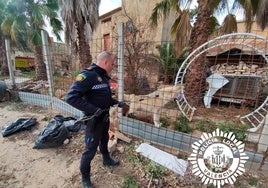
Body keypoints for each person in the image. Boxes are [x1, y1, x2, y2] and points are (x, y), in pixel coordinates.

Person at [66, 51, 129, 188]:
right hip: (93, 121)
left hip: (104, 118)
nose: (113, 66)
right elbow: (71, 98)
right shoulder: (88, 75)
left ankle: (106, 160)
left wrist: (117, 102)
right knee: (90, 150)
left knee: (105, 140)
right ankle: (85, 178)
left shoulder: (103, 77)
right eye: (112, 64)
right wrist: (94, 110)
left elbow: (103, 98)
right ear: (105, 62)